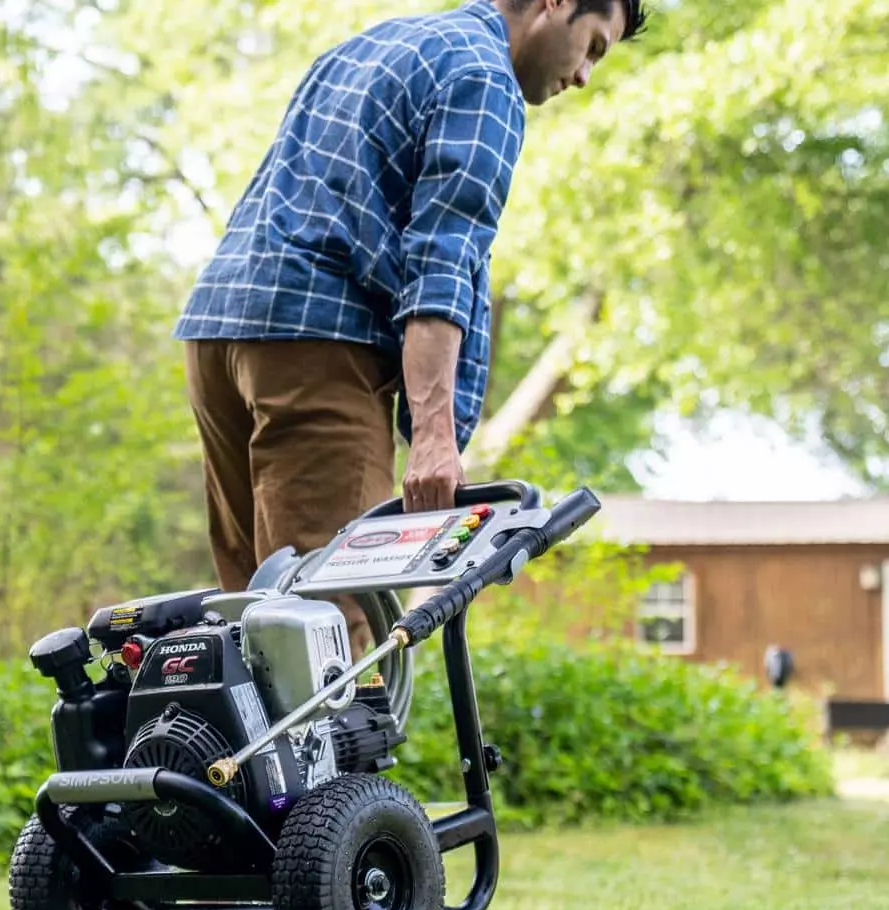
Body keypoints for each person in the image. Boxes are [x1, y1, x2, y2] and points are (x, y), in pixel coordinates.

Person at [175, 0, 649, 658]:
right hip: (320, 347)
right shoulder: (485, 79)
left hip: (219, 333)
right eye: (593, 47)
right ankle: (348, 764)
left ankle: (213, 762)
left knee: (253, 629)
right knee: (332, 638)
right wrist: (433, 439)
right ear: (555, 5)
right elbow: (441, 264)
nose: (584, 76)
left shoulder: (371, 46)